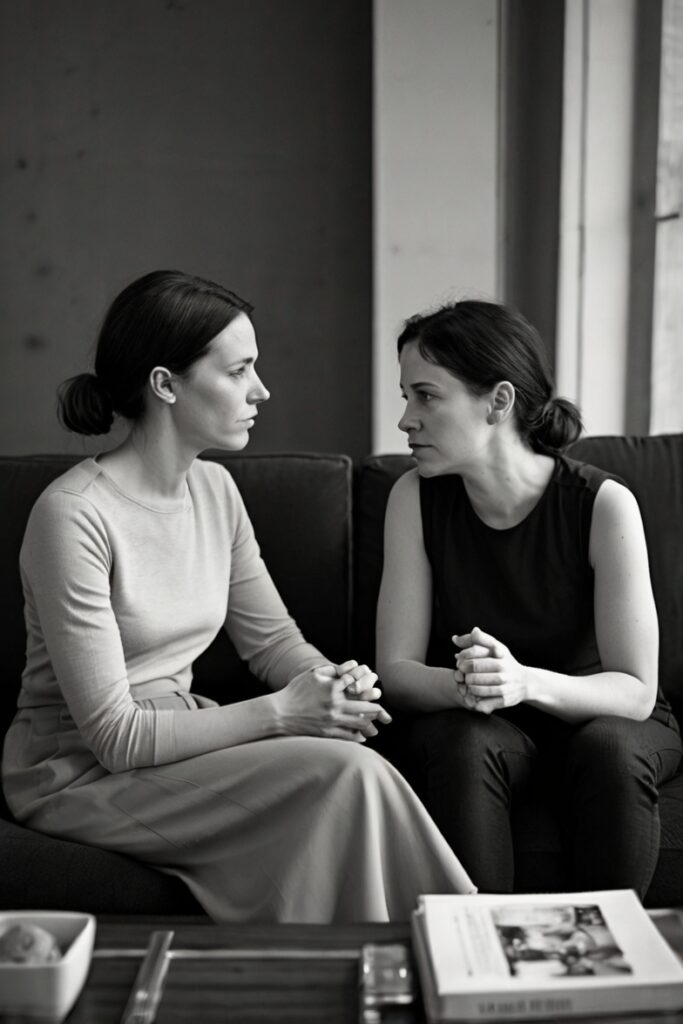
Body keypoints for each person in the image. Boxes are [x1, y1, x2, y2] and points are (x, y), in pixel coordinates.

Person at [1, 270, 475, 923]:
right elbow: (114, 736)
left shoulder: (216, 490)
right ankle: (448, 941)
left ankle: (444, 949)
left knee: (349, 765)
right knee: (347, 776)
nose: (261, 389)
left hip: (182, 739)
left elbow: (272, 642)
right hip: (79, 770)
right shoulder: (74, 515)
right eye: (238, 370)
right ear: (165, 384)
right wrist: (283, 712)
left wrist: (331, 682)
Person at [375, 299, 682, 899]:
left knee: (611, 748)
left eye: (426, 396)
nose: (406, 420)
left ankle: (604, 951)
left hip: (602, 717)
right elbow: (397, 670)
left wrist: (522, 682)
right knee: (461, 742)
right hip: (488, 726)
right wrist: (472, 686)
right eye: (406, 397)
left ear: (498, 402)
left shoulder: (603, 504)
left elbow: (636, 692)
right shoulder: (413, 498)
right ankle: (475, 948)